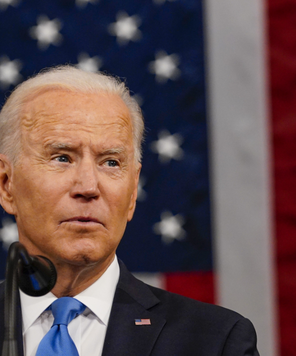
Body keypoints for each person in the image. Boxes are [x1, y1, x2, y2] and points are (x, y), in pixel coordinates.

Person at [0, 66, 259, 356]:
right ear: (6, 184)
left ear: (133, 192)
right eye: (62, 158)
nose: (88, 187)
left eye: (111, 162)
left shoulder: (215, 342)